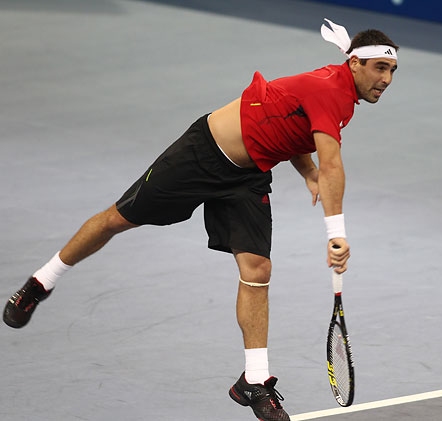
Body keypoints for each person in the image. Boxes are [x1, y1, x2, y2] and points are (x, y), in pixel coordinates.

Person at [3, 19, 398, 421]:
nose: (385, 79)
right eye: (379, 68)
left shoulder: (339, 93)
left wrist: (306, 171)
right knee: (117, 219)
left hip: (248, 176)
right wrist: (336, 234)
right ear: (354, 64)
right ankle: (41, 282)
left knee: (257, 268)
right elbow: (333, 166)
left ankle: (254, 381)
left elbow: (292, 122)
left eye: (392, 71)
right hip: (202, 154)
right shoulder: (331, 91)